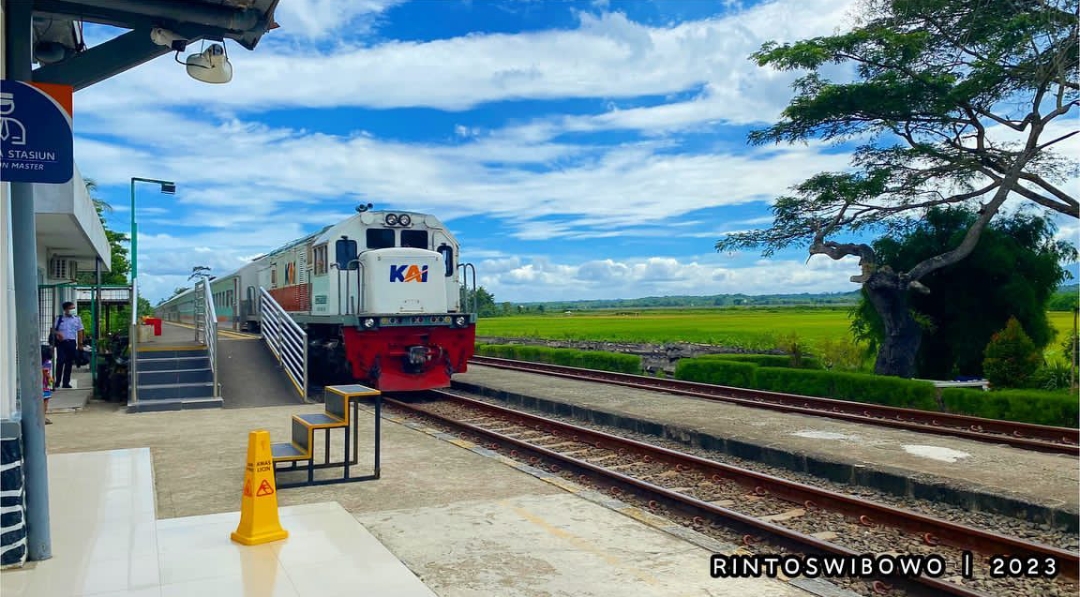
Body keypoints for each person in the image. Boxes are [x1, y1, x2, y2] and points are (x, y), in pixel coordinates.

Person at [52, 301, 84, 390]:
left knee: (69, 363)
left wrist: (80, 343)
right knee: (60, 362)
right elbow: (53, 329)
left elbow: (80, 331)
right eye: (71, 308)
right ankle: (57, 381)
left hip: (71, 343)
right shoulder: (59, 318)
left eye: (73, 308)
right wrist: (58, 333)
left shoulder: (77, 319)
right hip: (61, 343)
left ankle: (66, 382)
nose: (73, 310)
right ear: (65, 309)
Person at [41, 345, 53, 424]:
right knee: (45, 401)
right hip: (44, 385)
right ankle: (43, 417)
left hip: (38, 384)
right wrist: (50, 378)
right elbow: (45, 371)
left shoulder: (38, 362)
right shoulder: (48, 362)